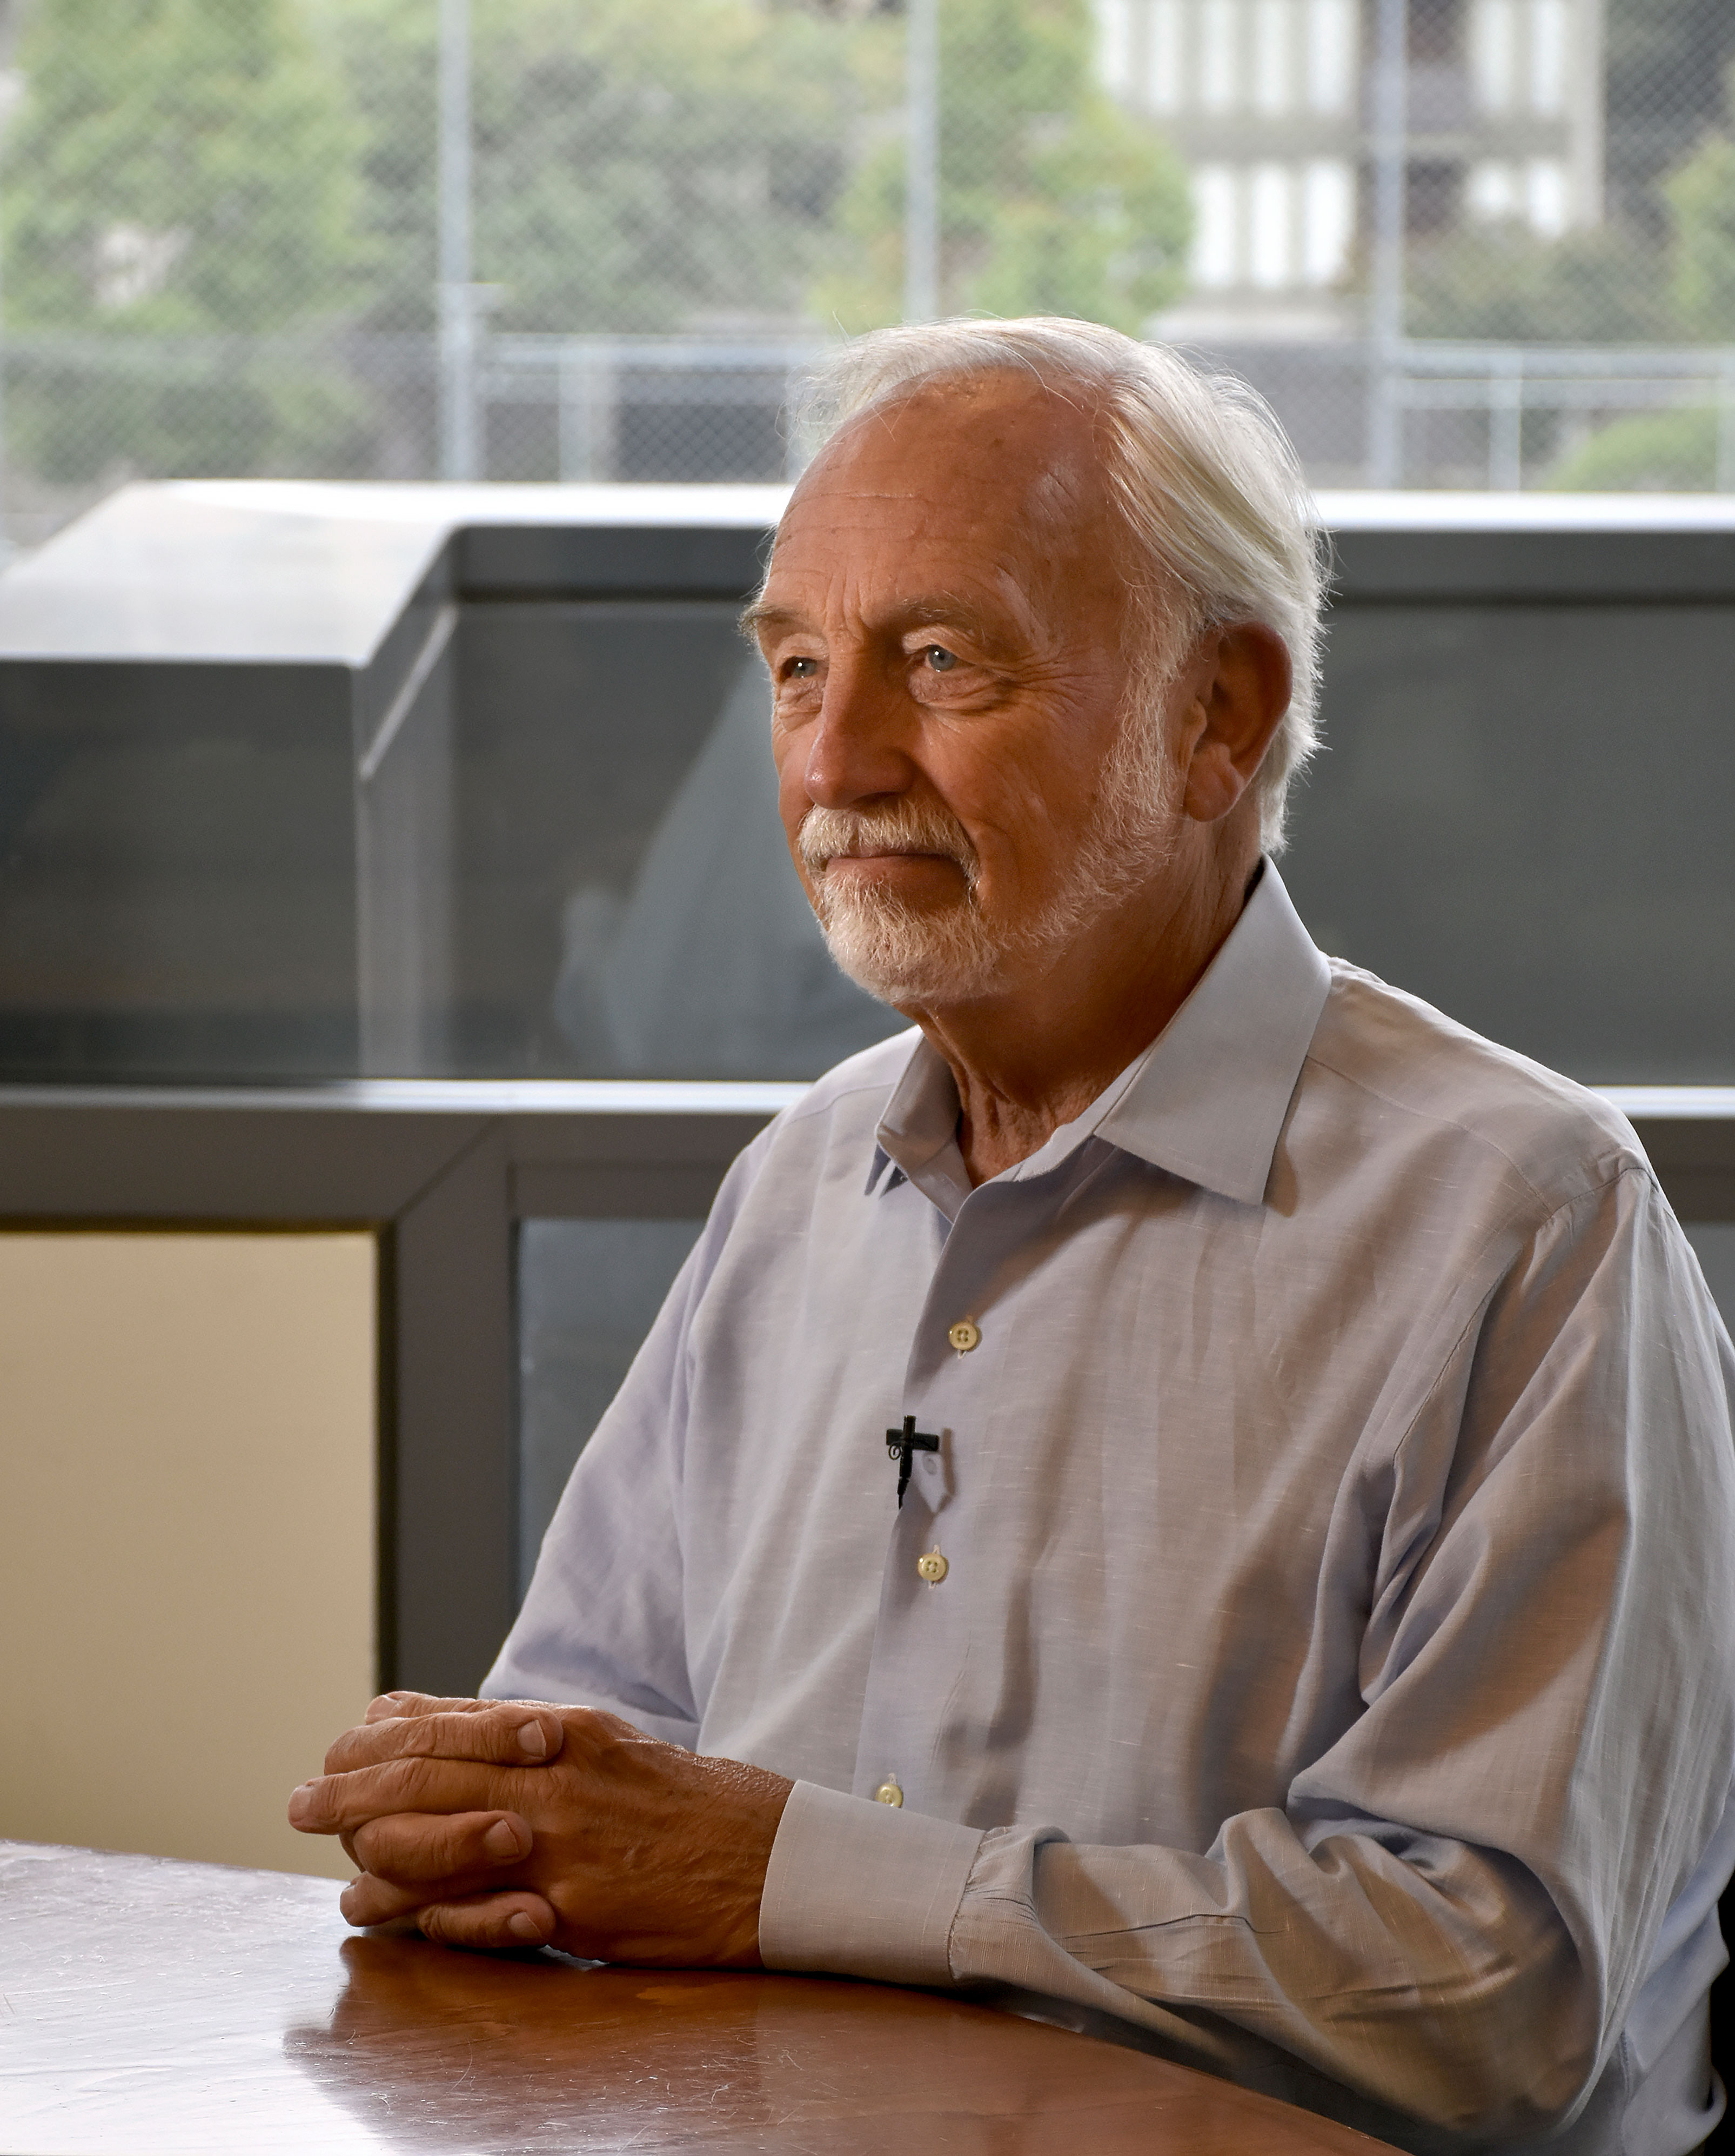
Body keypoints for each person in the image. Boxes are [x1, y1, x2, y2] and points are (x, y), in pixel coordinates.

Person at [290, 318, 1735, 2156]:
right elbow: (593, 1757)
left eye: (941, 662)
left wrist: (800, 1878)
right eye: (797, 667)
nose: (835, 761)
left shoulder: (1523, 1221)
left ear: (1217, 716)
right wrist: (478, 1827)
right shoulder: (798, 1184)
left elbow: (1493, 1992)